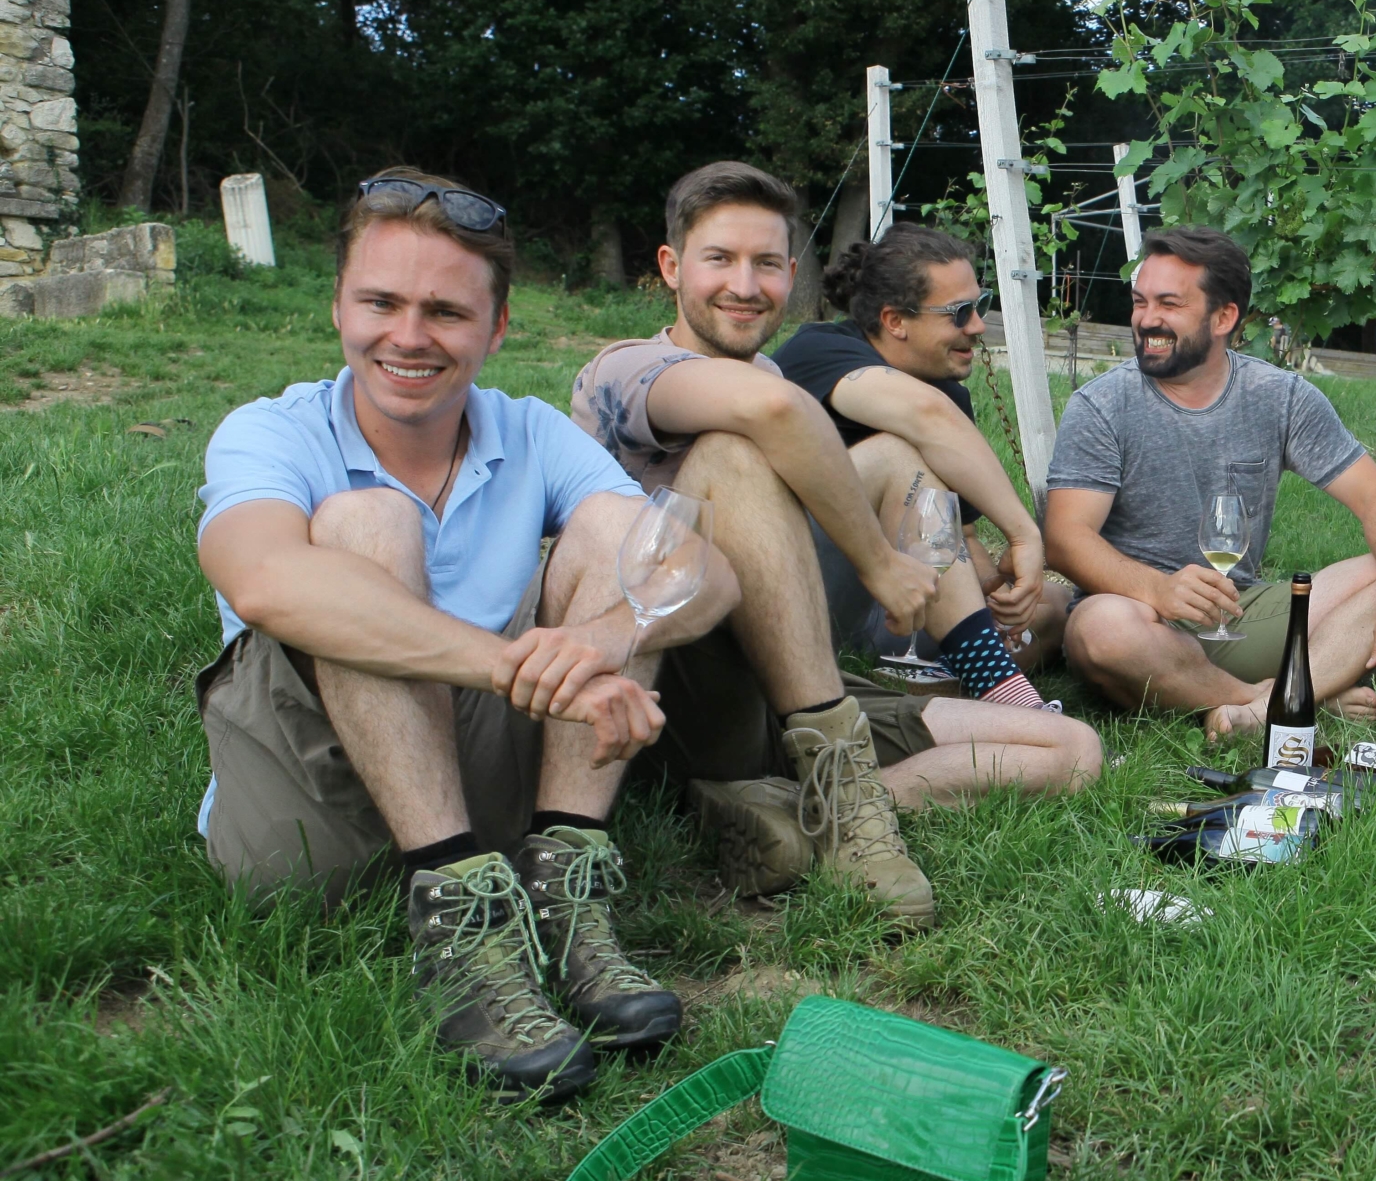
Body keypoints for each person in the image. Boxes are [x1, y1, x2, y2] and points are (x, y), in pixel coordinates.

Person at [195, 167, 739, 1104]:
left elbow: (705, 572)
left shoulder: (528, 432)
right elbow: (263, 578)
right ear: (336, 307)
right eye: (381, 302)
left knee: (624, 542)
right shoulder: (269, 430)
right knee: (368, 524)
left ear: (497, 328)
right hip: (311, 795)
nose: (408, 335)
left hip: (476, 754)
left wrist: (609, 635)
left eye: (446, 311)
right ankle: (456, 907)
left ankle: (558, 895)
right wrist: (517, 662)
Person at [570, 165, 1102, 924]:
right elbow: (774, 410)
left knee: (1069, 748)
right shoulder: (628, 368)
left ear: (793, 272)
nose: (744, 285)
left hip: (796, 684)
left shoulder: (776, 369)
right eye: (719, 259)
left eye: (765, 264)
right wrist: (882, 564)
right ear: (671, 267)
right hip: (683, 691)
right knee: (738, 452)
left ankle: (808, 805)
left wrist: (998, 552)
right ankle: (840, 807)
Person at [1045, 225, 1376, 739]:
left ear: (1224, 317)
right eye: (1140, 301)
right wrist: (1157, 588)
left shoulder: (1279, 396)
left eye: (1169, 304)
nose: (1147, 319)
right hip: (1141, 618)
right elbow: (1064, 538)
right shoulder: (1103, 405)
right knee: (1099, 630)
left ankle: (1257, 711)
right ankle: (1281, 701)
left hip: (1237, 611)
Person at [773, 220, 1073, 675]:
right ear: (894, 321)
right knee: (895, 454)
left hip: (895, 605)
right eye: (958, 313)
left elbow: (961, 536)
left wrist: (997, 589)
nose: (977, 326)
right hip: (797, 593)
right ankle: (989, 681)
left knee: (1053, 603)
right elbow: (924, 416)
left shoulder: (948, 394)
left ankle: (959, 678)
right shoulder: (821, 350)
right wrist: (1024, 534)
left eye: (980, 305)